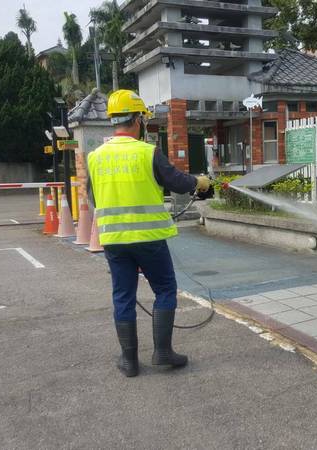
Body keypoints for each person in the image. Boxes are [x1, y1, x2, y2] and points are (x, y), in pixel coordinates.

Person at [87, 90, 210, 377]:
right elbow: (177, 182)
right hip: (150, 239)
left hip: (114, 242)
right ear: (138, 120)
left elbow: (92, 198)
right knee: (165, 290)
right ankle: (162, 352)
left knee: (123, 296)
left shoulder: (95, 157)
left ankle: (129, 361)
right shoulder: (147, 152)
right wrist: (200, 182)